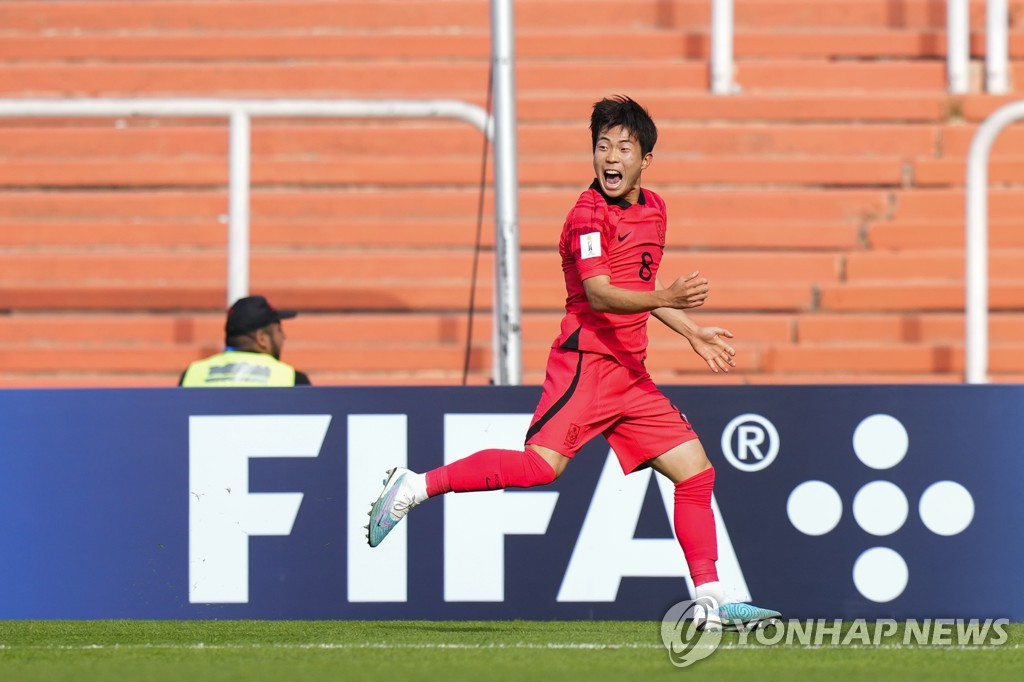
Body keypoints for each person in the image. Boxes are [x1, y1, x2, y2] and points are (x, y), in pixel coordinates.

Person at [366, 96, 779, 628]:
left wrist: (692, 330)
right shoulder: (586, 217)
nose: (610, 157)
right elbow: (603, 295)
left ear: (645, 159)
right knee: (540, 467)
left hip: (630, 374)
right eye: (602, 146)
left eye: (623, 147)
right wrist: (669, 299)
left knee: (695, 473)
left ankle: (710, 601)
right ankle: (416, 486)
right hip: (587, 362)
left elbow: (640, 287)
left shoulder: (655, 207)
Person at [178, 294, 311, 387]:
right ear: (262, 338)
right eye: (279, 330)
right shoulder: (291, 379)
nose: (283, 337)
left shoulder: (192, 374)